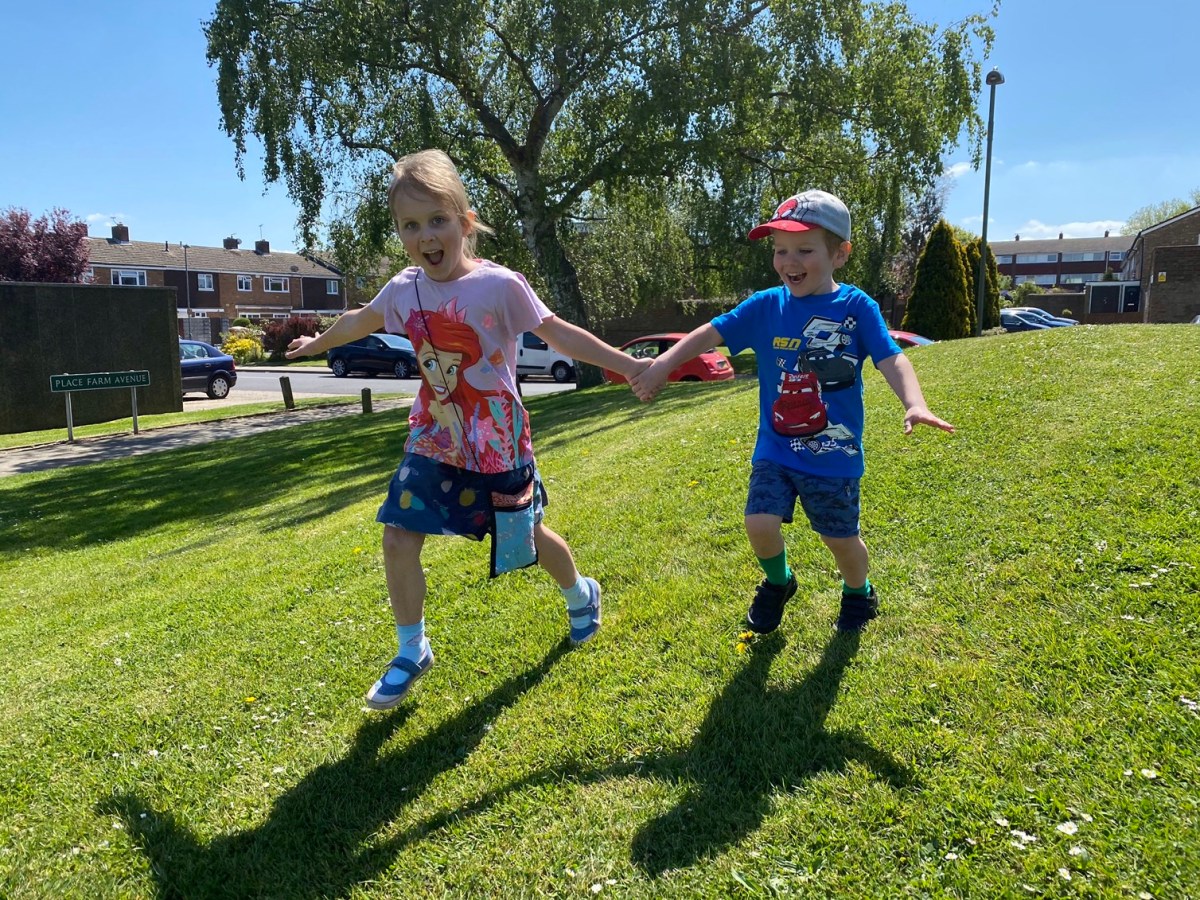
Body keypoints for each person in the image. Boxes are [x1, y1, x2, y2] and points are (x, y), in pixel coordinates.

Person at [286, 149, 649, 709]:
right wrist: (315, 344)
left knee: (525, 538)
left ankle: (580, 592)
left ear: (464, 221)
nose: (426, 236)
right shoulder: (404, 289)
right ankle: (412, 648)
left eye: (437, 220)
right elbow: (360, 319)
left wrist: (629, 366)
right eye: (411, 225)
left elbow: (559, 334)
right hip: (433, 437)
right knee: (399, 534)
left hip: (497, 439)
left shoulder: (501, 286)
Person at [630, 189, 954, 634]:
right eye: (780, 250)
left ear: (840, 253)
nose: (789, 261)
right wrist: (664, 364)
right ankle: (778, 583)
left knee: (839, 540)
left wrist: (915, 403)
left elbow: (891, 358)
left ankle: (859, 592)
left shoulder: (856, 308)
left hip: (834, 455)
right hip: (777, 448)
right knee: (758, 522)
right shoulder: (766, 305)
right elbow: (711, 332)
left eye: (804, 249)